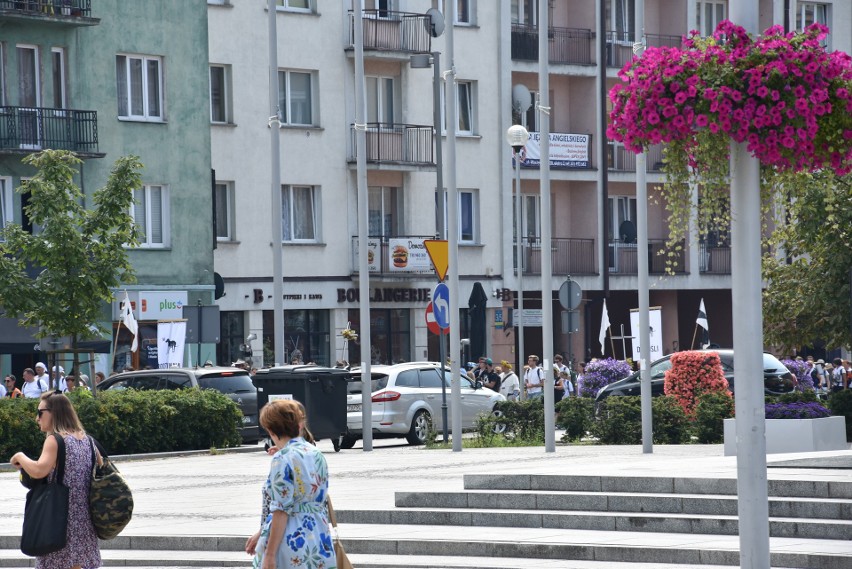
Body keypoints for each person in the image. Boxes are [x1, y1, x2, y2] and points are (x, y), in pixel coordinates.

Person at [10, 392, 102, 569]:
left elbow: (38, 470)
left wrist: (20, 456)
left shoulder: (55, 440)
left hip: (60, 519)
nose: (37, 418)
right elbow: (101, 466)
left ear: (54, 412)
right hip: (85, 520)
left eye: (40, 412)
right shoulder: (88, 440)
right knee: (79, 564)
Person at [246, 399, 335, 568]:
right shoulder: (315, 452)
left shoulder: (283, 458)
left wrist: (270, 554)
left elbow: (281, 510)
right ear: (298, 425)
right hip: (318, 534)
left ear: (271, 430)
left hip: (292, 538)